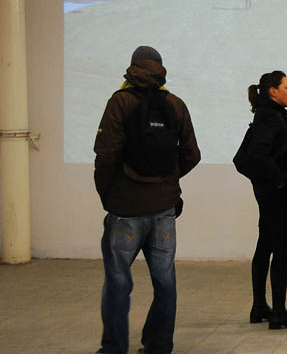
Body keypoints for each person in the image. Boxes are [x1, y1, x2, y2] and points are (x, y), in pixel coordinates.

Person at [93, 46, 201, 354]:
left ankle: (114, 348)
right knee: (165, 282)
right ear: (160, 68)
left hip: (124, 209)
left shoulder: (120, 101)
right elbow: (192, 154)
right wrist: (168, 181)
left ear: (132, 68)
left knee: (118, 282)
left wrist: (108, 193)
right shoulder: (175, 104)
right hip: (164, 209)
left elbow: (106, 154)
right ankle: (159, 345)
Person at [237, 71, 287, 328]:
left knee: (265, 246)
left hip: (274, 196)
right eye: (286, 87)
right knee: (279, 252)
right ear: (272, 91)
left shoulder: (269, 115)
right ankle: (278, 312)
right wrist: (281, 181)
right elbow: (257, 155)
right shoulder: (270, 118)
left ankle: (260, 307)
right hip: (277, 197)